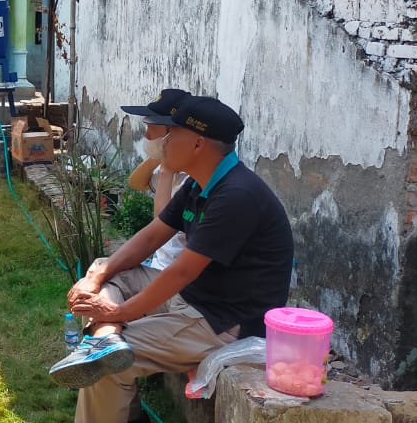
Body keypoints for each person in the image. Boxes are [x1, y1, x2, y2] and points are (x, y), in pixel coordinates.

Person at [49, 96, 293, 423]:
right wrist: (95, 279)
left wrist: (120, 311)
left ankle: (106, 345)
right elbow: (153, 234)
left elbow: (180, 272)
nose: (163, 143)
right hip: (191, 299)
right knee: (106, 272)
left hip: (221, 321)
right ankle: (107, 338)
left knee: (103, 367)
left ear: (197, 143)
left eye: (171, 135)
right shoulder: (199, 184)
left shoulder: (237, 195)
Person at [120, 89, 192, 270]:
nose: (146, 136)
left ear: (172, 134)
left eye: (151, 129)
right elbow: (136, 182)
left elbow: (162, 225)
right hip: (156, 264)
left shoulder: (191, 180)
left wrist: (166, 168)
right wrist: (160, 156)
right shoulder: (168, 168)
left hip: (170, 273)